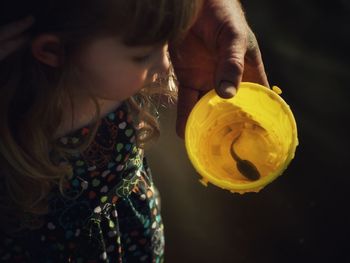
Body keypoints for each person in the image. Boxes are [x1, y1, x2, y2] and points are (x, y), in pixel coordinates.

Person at [0, 0, 268, 262]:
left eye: (167, 42)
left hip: (130, 232)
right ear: (52, 51)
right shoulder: (14, 125)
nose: (166, 64)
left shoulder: (116, 73)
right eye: (142, 55)